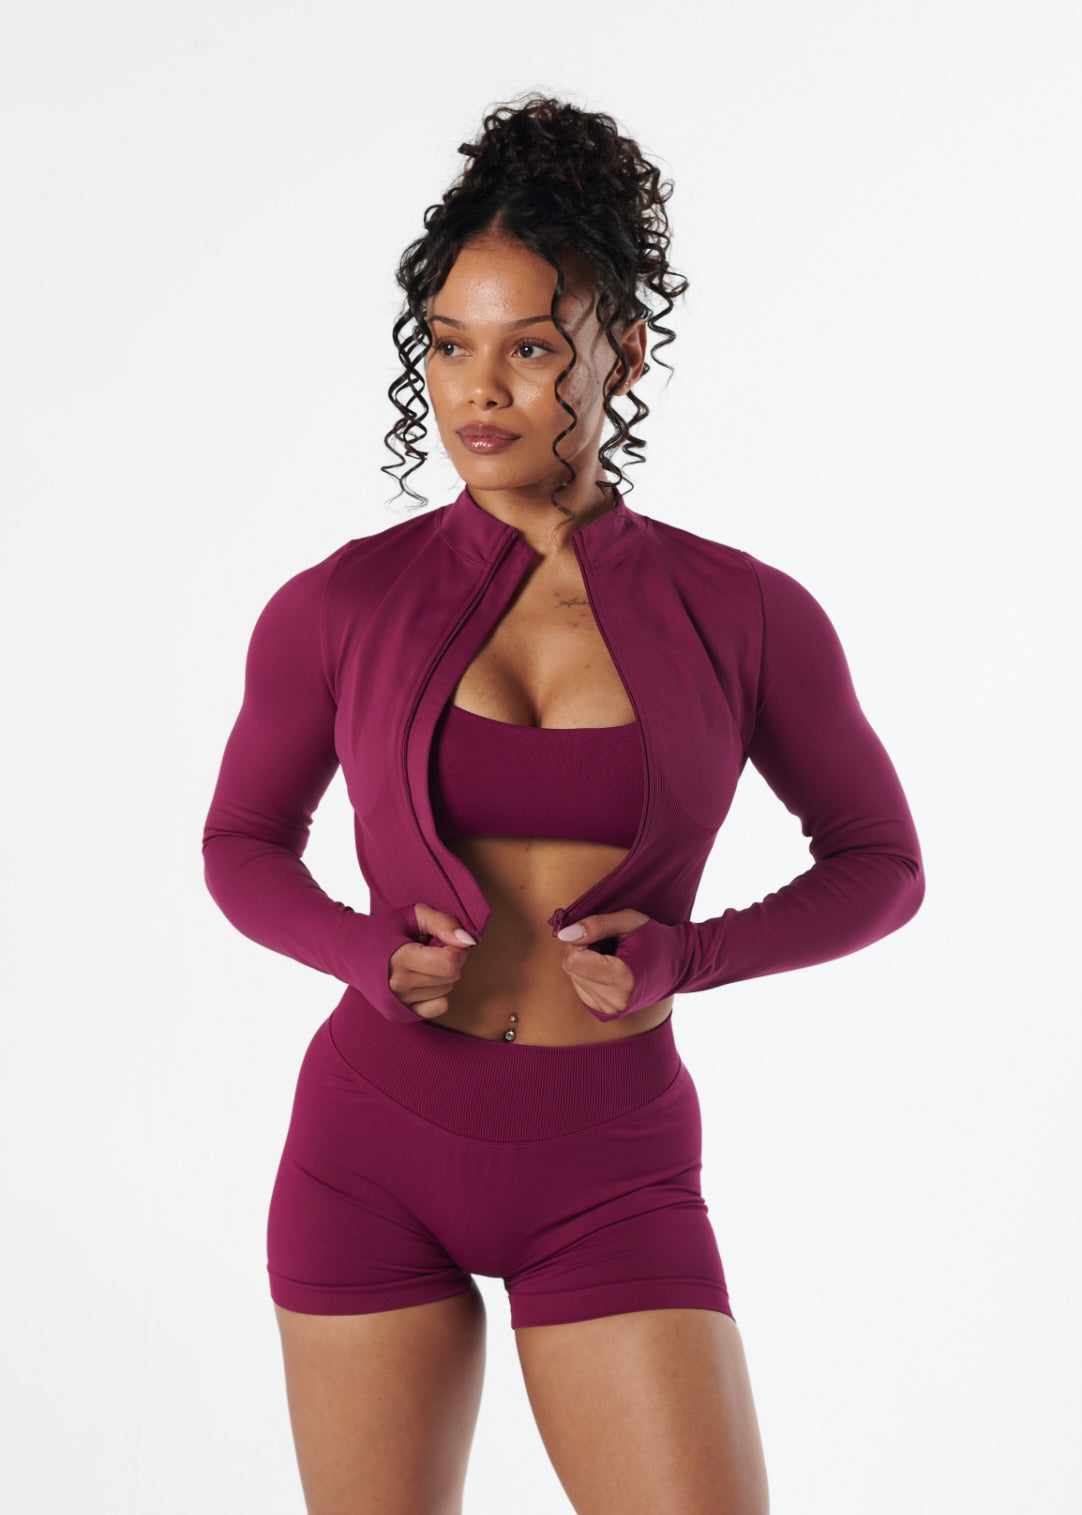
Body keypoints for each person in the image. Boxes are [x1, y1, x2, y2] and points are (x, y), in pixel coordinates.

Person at [202, 95, 924, 1515]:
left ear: (623, 352)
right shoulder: (338, 602)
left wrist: (691, 957)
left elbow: (880, 862)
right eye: (447, 346)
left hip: (612, 1168)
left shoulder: (746, 612)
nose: (477, 392)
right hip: (369, 1148)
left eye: (529, 348)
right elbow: (240, 844)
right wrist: (359, 949)